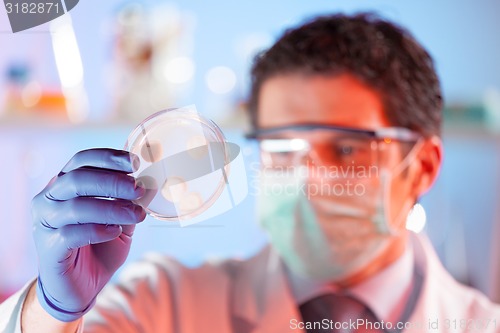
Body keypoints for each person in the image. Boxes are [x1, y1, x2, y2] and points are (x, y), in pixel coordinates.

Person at [1, 13, 499, 333]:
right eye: (282, 149)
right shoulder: (164, 302)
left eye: (347, 148)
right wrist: (52, 313)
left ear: (423, 167)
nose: (309, 177)